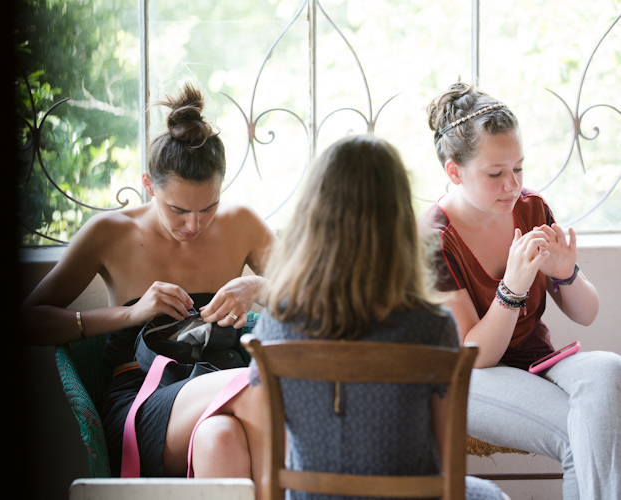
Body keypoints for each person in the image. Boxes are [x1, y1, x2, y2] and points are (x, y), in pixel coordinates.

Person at [22, 83, 276, 497]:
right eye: (178, 209)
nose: (194, 225)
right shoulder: (110, 232)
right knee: (261, 386)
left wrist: (258, 285)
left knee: (221, 440)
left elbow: (316, 302)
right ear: (148, 185)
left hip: (220, 380)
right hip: (141, 400)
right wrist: (133, 313)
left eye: (208, 208)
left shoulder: (242, 223)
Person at [251, 133, 507, 500]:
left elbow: (276, 444)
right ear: (399, 220)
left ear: (312, 217)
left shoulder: (277, 320)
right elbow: (445, 463)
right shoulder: (431, 326)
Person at [421, 81, 621, 500]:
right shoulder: (434, 238)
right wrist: (511, 287)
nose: (512, 185)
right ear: (454, 171)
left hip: (540, 363)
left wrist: (565, 275)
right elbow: (476, 354)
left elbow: (587, 313)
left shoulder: (530, 208)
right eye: (495, 174)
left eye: (519, 169)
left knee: (609, 370)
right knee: (580, 432)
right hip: (470, 378)